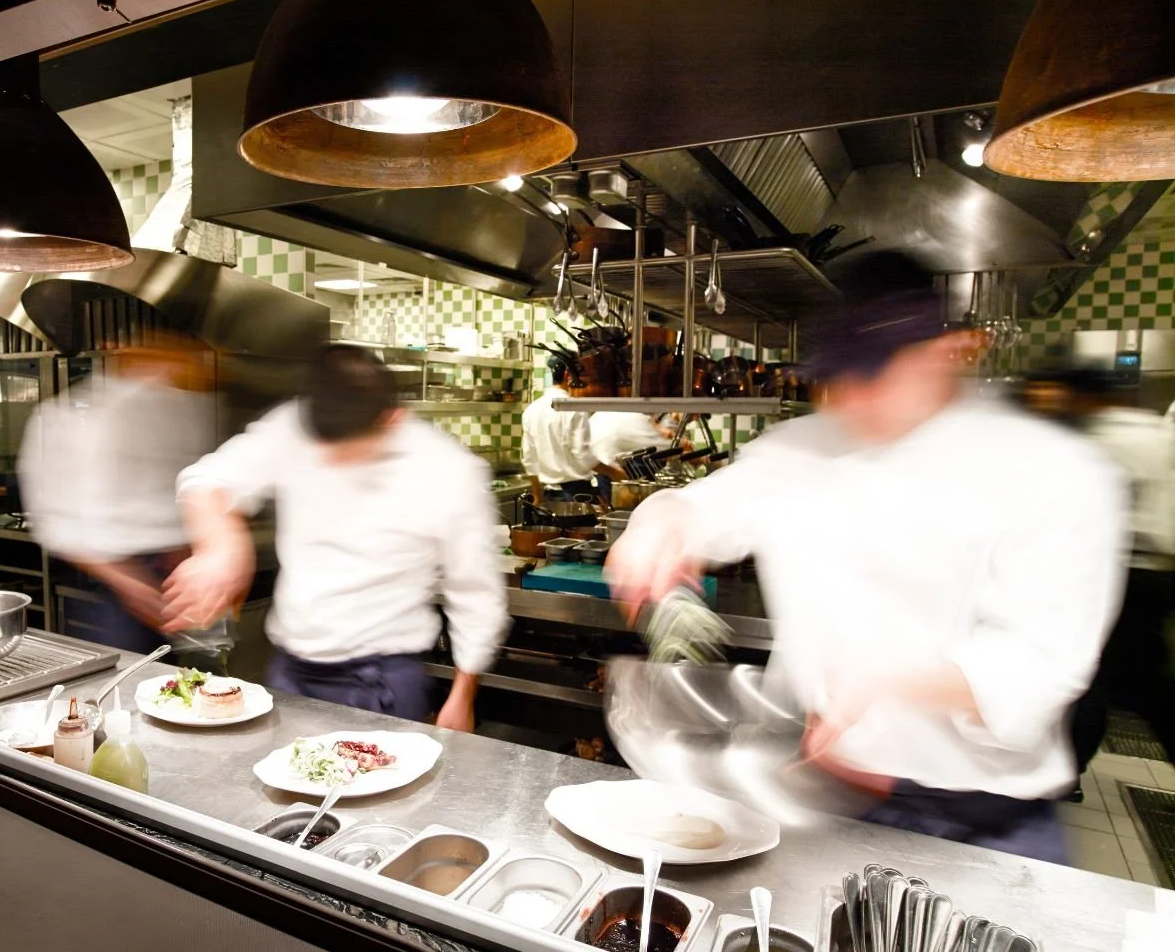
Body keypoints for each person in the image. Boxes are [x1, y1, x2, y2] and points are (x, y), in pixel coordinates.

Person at [606, 252, 1126, 863]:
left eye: (875, 375)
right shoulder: (801, 448)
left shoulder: (1055, 472)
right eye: (839, 378)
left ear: (946, 353)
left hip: (984, 820)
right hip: (821, 793)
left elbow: (1040, 663)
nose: (852, 399)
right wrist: (662, 518)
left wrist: (886, 681)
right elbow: (712, 507)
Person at [161, 345, 508, 732]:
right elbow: (206, 479)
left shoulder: (448, 470)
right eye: (322, 448)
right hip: (290, 671)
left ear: (391, 420)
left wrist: (462, 697)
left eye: (348, 452)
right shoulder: (294, 425)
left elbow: (477, 594)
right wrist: (221, 546)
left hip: (380, 682)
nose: (331, 461)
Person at [19, 336, 215, 654]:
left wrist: (187, 563)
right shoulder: (68, 416)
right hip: (111, 586)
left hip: (172, 578)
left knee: (187, 687)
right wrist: (130, 585)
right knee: (119, 684)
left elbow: (182, 490)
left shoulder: (179, 407)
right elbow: (56, 522)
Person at [1055, 368, 1175, 772]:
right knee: (1130, 676)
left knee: (1103, 675)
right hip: (1154, 570)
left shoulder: (1099, 442)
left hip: (1121, 570)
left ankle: (1069, 769)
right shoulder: (1156, 432)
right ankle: (1071, 767)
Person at [521, 356, 602, 505]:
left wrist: (537, 497)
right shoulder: (574, 408)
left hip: (550, 495)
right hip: (578, 495)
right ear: (567, 375)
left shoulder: (532, 410)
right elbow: (583, 455)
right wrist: (615, 473)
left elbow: (529, 459)